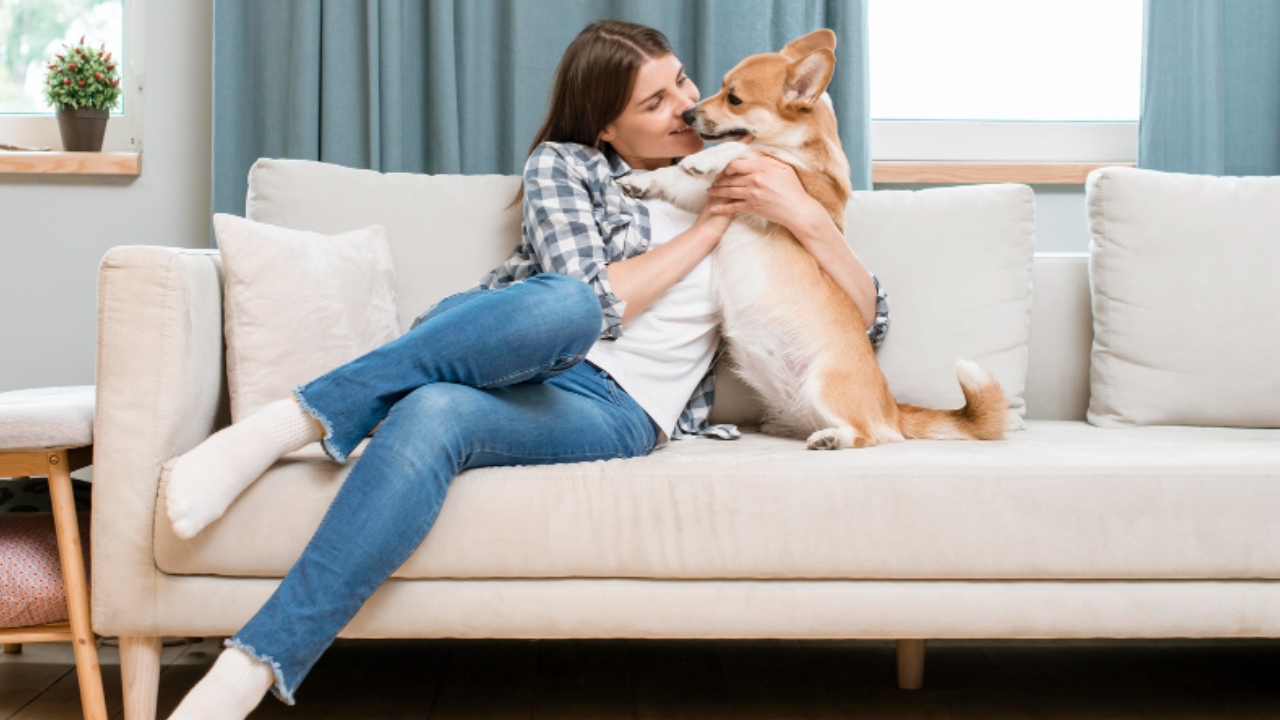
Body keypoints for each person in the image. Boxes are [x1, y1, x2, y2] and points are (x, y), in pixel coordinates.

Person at [164, 20, 888, 720]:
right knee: (567, 303)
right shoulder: (568, 167)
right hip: (523, 351)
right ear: (606, 127)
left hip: (616, 408)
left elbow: (864, 323)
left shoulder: (754, 174)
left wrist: (808, 216)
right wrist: (707, 231)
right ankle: (272, 508)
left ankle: (264, 607)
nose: (686, 110)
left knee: (434, 412)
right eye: (654, 103)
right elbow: (592, 304)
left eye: (682, 85)